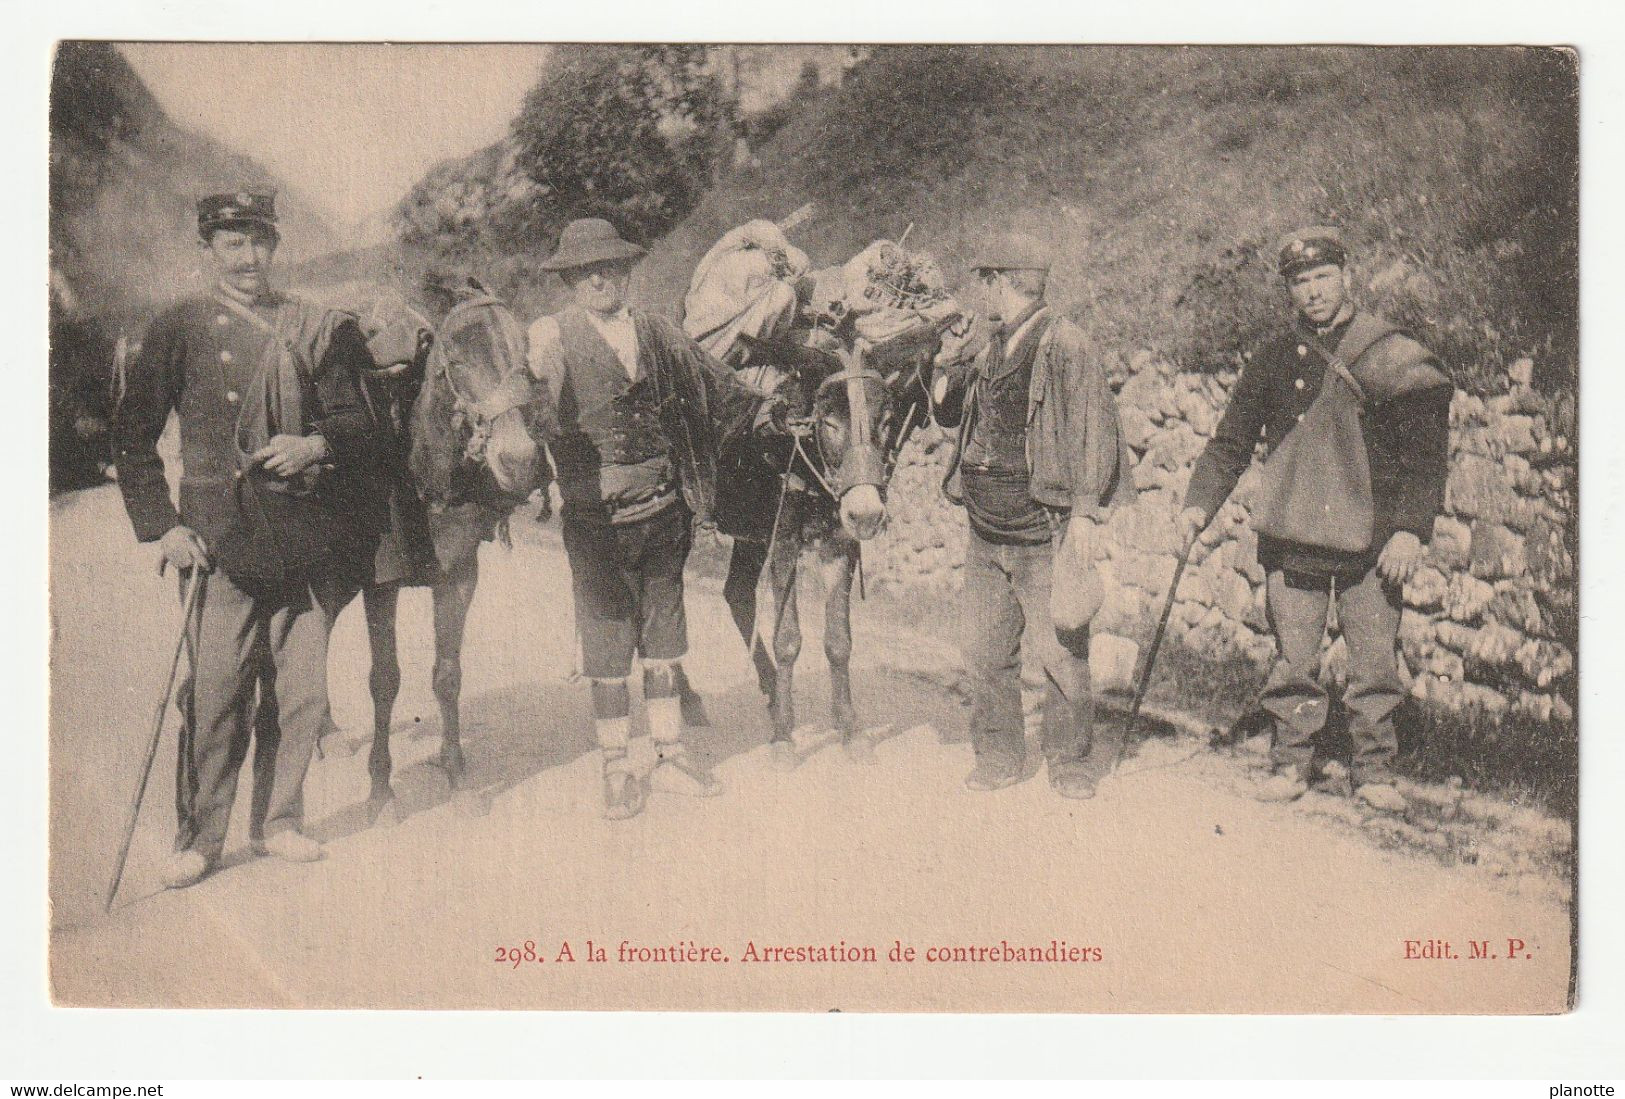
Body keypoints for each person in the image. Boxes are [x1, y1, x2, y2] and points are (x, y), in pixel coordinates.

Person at [113, 191, 382, 887]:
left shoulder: (310, 327)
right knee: (215, 695)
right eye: (231, 243)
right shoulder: (179, 326)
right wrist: (165, 526)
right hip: (217, 538)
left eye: (259, 241)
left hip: (302, 531)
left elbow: (357, 421)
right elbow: (132, 436)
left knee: (300, 696)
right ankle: (200, 836)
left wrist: (314, 443)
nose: (248, 257)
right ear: (207, 251)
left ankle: (279, 822)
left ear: (274, 246)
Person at [480, 218, 772, 820]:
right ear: (570, 281)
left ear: (626, 272)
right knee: (609, 647)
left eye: (609, 269)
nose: (600, 281)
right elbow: (529, 391)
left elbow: (721, 387)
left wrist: (770, 408)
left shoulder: (659, 331)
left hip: (666, 512)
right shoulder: (552, 336)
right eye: (586, 273)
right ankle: (616, 766)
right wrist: (512, 398)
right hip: (597, 520)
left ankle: (669, 755)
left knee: (663, 641)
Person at [1178, 226, 1453, 812]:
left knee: (1374, 661)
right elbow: (1231, 439)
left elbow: (1424, 451)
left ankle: (1375, 770)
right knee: (1294, 660)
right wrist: (1198, 504)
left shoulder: (1389, 351)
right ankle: (1291, 760)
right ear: (1288, 290)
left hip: (1371, 538)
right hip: (1293, 533)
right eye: (1300, 281)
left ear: (1345, 276)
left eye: (1322, 277)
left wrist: (1409, 528)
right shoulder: (1275, 357)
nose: (1313, 292)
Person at [930, 232, 1133, 800]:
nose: (979, 294)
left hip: (1043, 530)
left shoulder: (1067, 345)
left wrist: (1087, 516)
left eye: (984, 282)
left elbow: (1094, 432)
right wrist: (946, 361)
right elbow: (948, 413)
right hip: (985, 527)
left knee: (1061, 651)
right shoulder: (988, 345)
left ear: (1002, 281)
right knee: (984, 651)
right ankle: (998, 754)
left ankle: (1069, 761)